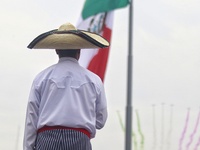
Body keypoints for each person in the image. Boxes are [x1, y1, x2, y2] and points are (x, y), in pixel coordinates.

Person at [23, 22, 109, 150]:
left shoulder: (41, 78)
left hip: (46, 141)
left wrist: (28, 147)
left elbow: (32, 118)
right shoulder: (93, 80)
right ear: (79, 51)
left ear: (56, 50)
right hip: (80, 141)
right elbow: (100, 121)